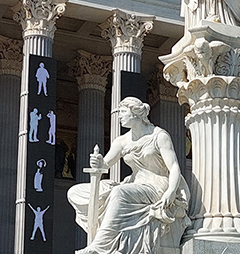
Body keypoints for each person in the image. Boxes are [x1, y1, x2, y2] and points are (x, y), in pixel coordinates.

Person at [67, 97, 189, 254]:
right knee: (75, 192)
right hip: (134, 184)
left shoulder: (159, 136)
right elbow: (105, 165)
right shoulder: (122, 141)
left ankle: (101, 245)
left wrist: (171, 192)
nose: (119, 116)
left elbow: (173, 167)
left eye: (123, 112)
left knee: (119, 192)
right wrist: (97, 162)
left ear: (136, 113)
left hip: (157, 185)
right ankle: (104, 235)